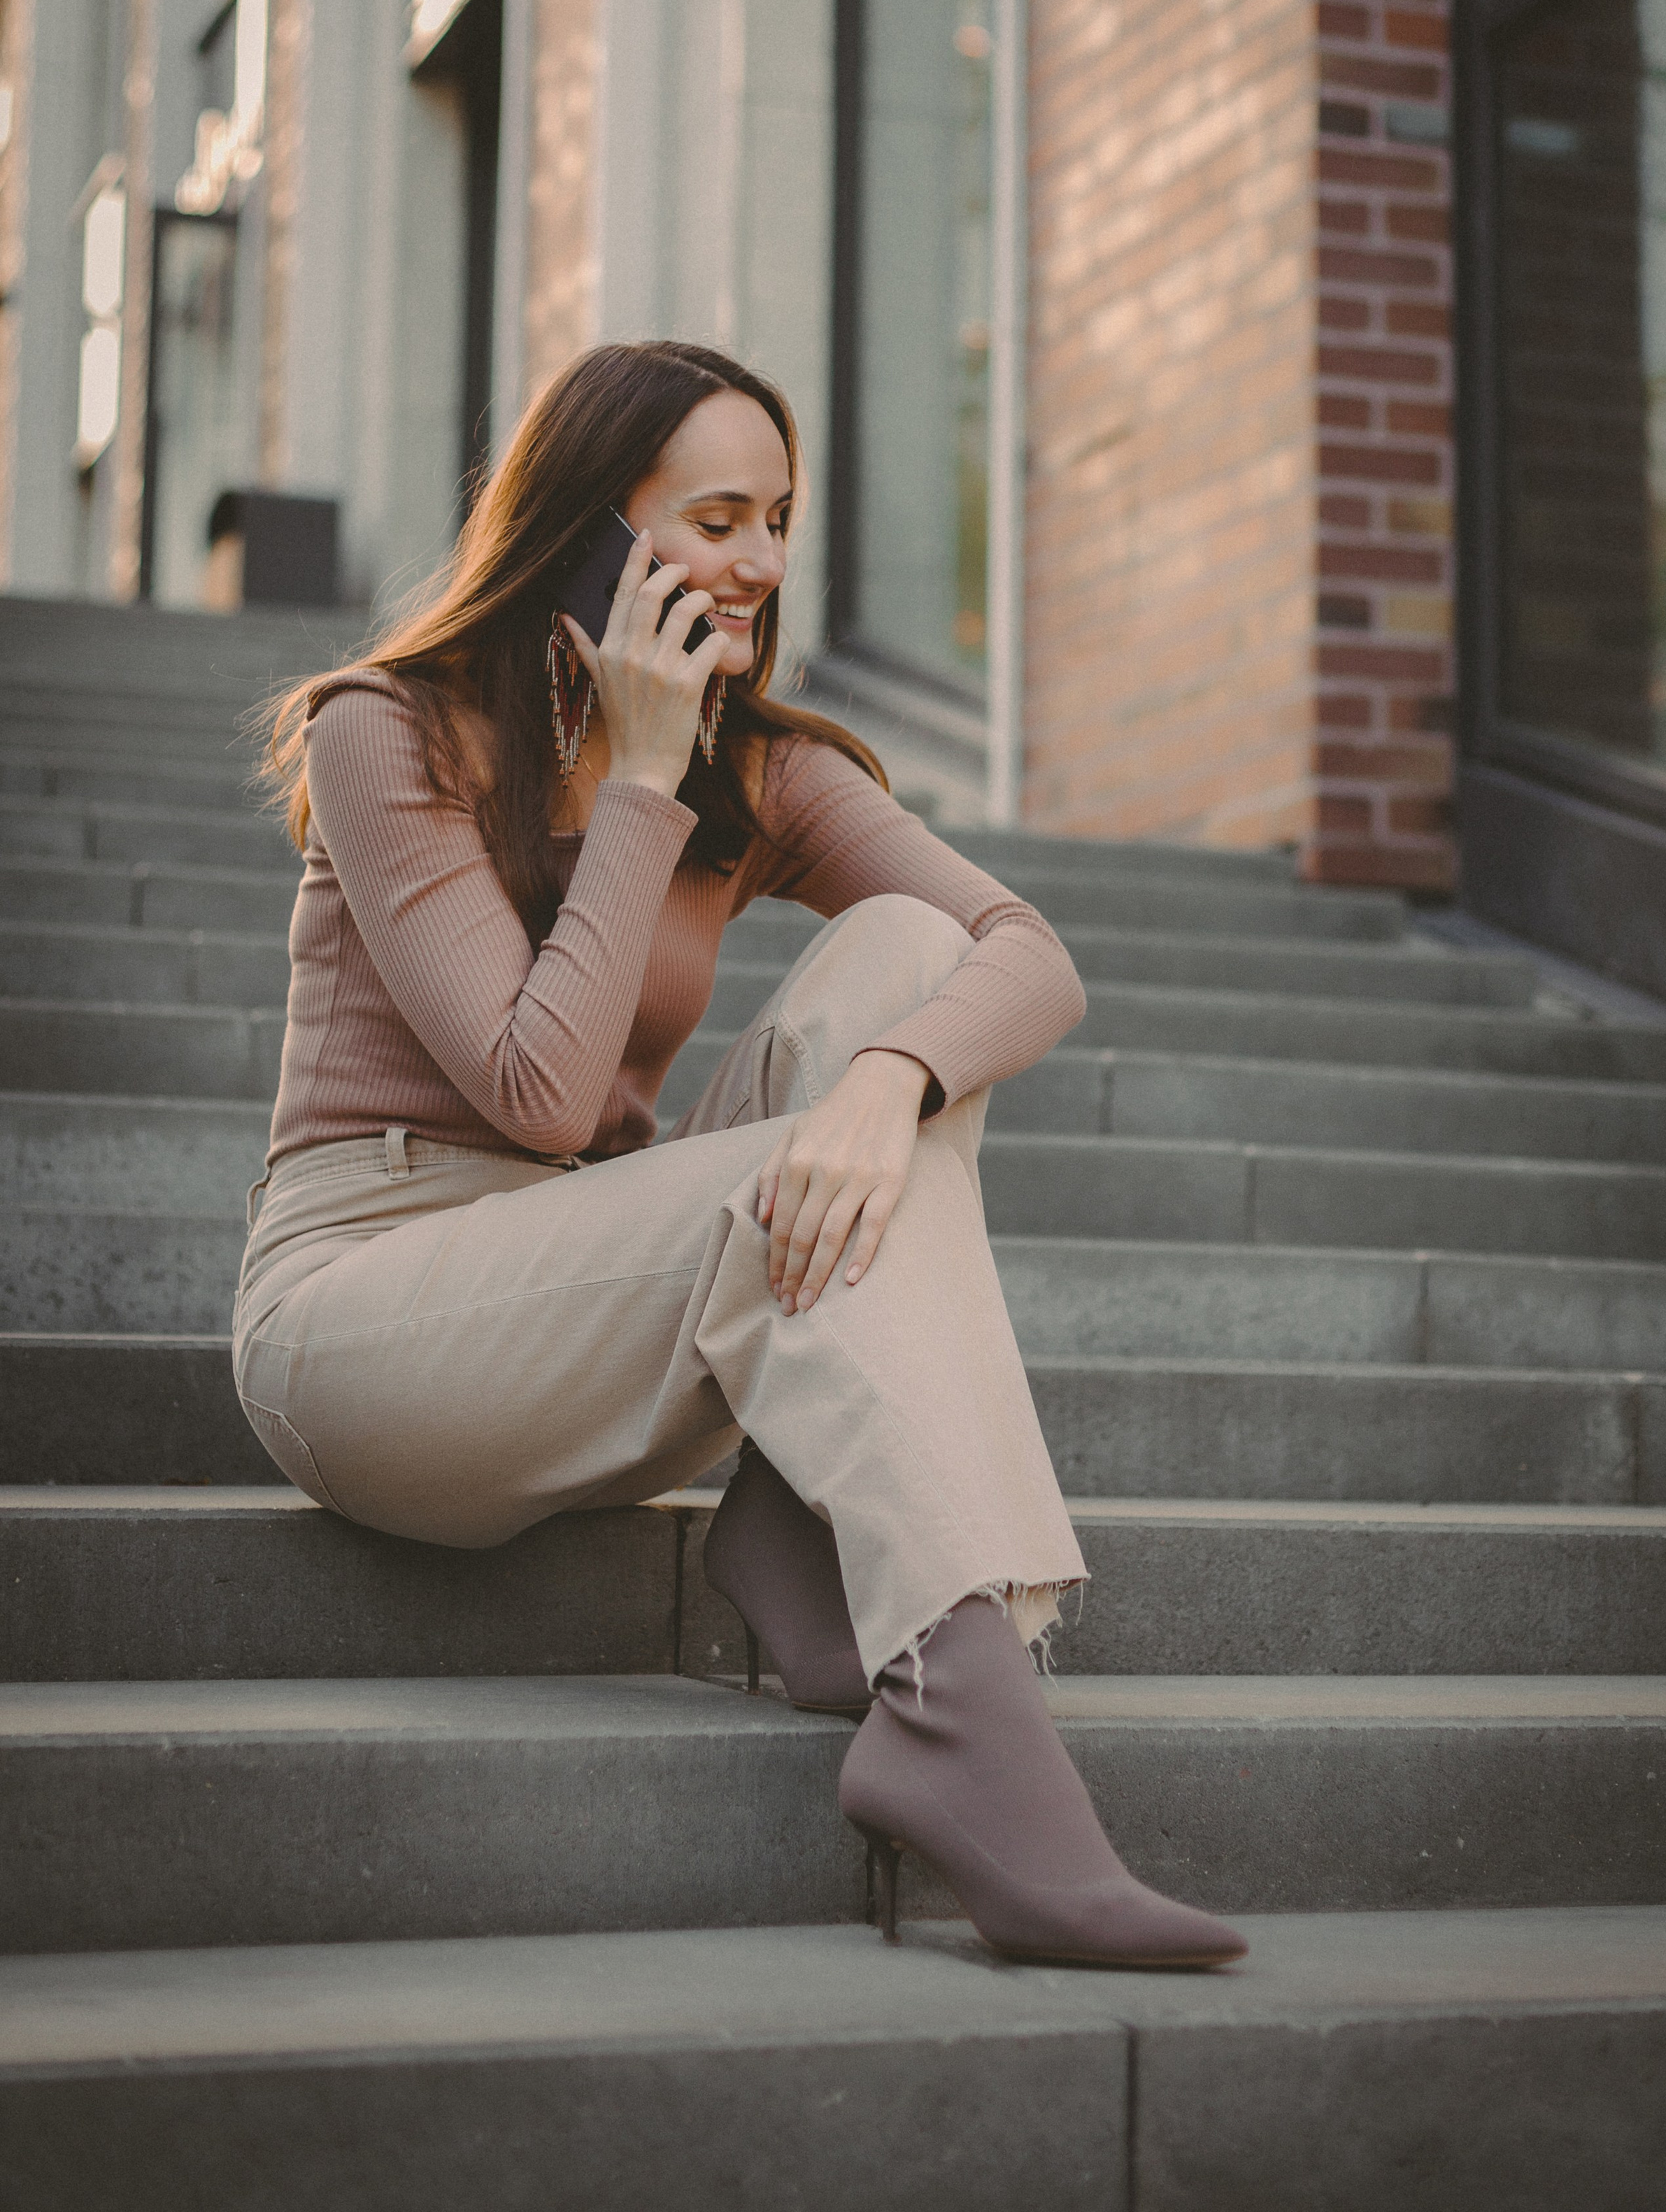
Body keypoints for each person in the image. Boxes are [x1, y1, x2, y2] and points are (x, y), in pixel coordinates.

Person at [241, 337, 1246, 1970]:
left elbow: (1026, 951)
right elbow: (539, 1093)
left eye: (777, 519)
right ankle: (962, 1720)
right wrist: (638, 772)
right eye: (715, 517)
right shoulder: (395, 731)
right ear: (587, 529)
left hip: (604, 1297)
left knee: (915, 954)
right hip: (367, 1323)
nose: (762, 565)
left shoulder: (758, 761)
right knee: (820, 1111)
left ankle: (798, 1517)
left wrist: (884, 1084)